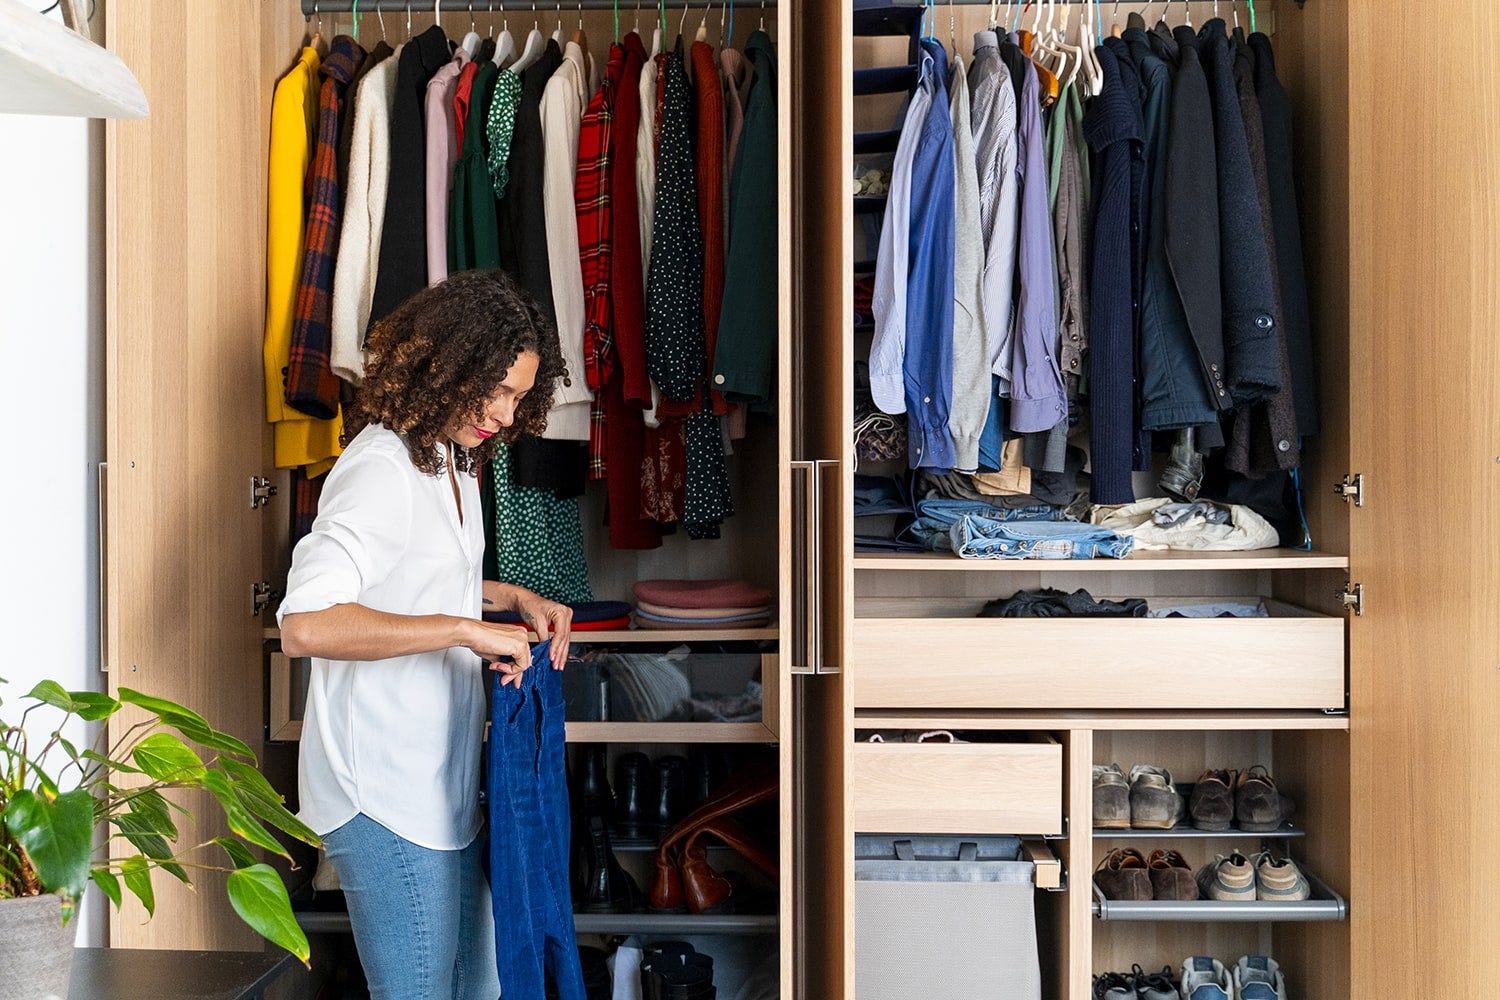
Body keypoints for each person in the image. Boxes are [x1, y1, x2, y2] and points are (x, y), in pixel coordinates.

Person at [278, 269, 575, 999]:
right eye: (498, 391)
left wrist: (510, 597)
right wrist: (465, 630)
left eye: (519, 396)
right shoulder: (378, 468)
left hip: (439, 780)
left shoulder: (449, 458)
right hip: (379, 789)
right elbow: (306, 622)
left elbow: (412, 573)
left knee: (482, 988)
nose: (507, 415)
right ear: (449, 366)